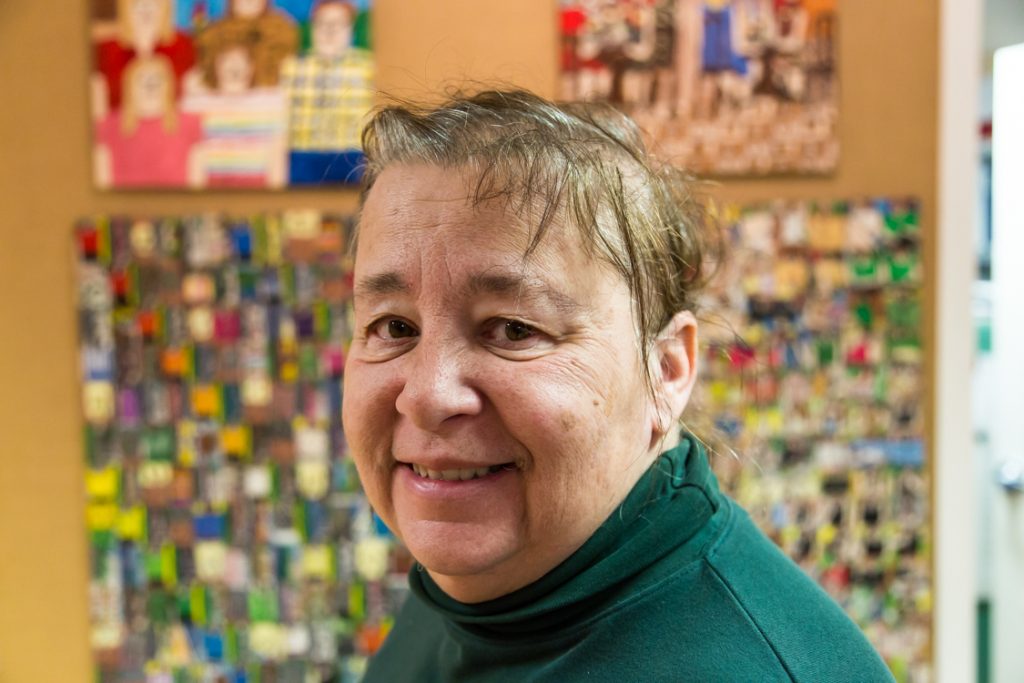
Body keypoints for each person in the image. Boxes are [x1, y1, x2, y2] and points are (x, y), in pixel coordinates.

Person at [341, 89, 895, 681]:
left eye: (514, 329)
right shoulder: (478, 588)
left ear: (666, 371)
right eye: (394, 327)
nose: (427, 396)